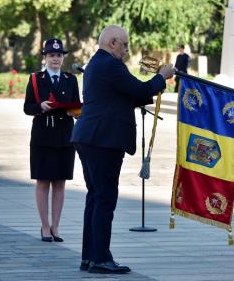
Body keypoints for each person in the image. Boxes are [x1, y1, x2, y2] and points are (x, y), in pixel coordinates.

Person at [71, 25, 175, 274]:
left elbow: (132, 95)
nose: (127, 50)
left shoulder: (98, 62)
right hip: (103, 141)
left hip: (91, 138)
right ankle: (100, 258)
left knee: (95, 198)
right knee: (104, 199)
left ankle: (90, 256)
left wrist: (154, 83)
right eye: (125, 45)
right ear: (113, 42)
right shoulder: (110, 64)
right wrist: (162, 76)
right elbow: (139, 90)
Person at [23, 38, 80, 243]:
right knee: (43, 181)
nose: (55, 58)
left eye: (59, 55)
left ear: (63, 58)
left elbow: (75, 106)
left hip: (65, 135)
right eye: (51, 55)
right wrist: (41, 107)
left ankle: (56, 226)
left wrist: (77, 113)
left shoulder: (70, 79)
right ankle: (45, 226)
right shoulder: (36, 79)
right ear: (45, 58)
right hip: (43, 135)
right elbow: (27, 107)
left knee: (60, 182)